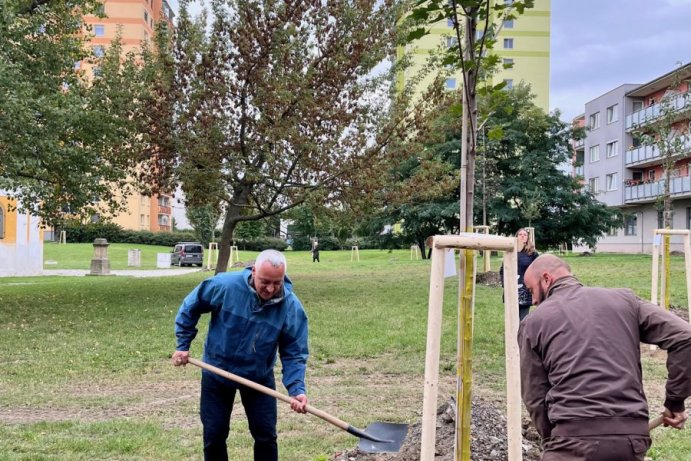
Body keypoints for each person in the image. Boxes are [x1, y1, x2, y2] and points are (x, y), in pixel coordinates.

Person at [519, 254, 691, 461]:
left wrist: (554, 440)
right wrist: (675, 402)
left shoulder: (533, 322)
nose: (534, 300)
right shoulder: (625, 301)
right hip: (630, 440)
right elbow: (686, 337)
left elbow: (534, 396)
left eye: (531, 291)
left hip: (571, 439)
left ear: (546, 279)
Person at [172, 249, 309, 461]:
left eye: (277, 283)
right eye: (265, 281)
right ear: (254, 271)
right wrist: (183, 344)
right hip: (216, 372)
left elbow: (294, 351)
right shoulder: (224, 286)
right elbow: (191, 306)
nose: (270, 289)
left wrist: (296, 388)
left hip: (258, 377)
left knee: (265, 436)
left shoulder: (290, 307)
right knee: (214, 435)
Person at [499, 228, 539, 320]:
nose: (522, 236)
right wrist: (505, 284)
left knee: (523, 319)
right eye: (520, 234)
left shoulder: (532, 254)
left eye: (524, 235)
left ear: (527, 238)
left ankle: (522, 334)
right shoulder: (509, 252)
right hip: (511, 289)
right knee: (511, 319)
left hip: (525, 290)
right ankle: (511, 335)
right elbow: (502, 270)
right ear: (516, 237)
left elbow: (538, 271)